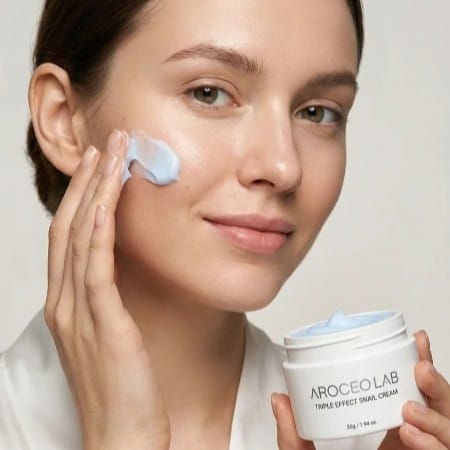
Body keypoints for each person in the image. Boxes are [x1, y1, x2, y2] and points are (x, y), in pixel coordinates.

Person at [1, 1, 449, 449]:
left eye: (317, 112)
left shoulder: (372, 436)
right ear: (63, 119)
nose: (283, 166)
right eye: (209, 93)